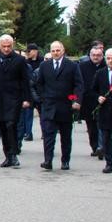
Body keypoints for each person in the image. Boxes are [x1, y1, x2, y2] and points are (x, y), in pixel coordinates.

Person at [30, 40, 82, 170]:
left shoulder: (72, 66)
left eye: (58, 50)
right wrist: (43, 97)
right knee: (48, 135)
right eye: (53, 50)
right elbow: (39, 83)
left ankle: (65, 161)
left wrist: (76, 100)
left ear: (63, 51)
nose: (55, 53)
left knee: (65, 137)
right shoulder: (44, 66)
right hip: (49, 106)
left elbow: (79, 85)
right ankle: (48, 160)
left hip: (65, 106)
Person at [0, 34, 31, 168]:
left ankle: (14, 154)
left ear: (12, 45)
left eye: (8, 46)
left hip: (14, 98)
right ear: (0, 46)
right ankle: (8, 156)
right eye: (3, 46)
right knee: (3, 127)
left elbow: (25, 80)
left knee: (11, 125)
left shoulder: (20, 60)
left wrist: (27, 98)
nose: (6, 49)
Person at [77, 43, 106, 158]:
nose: (95, 57)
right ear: (90, 55)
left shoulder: (106, 65)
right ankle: (94, 146)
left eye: (98, 55)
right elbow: (80, 83)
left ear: (102, 56)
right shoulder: (83, 66)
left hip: (103, 100)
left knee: (102, 125)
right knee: (91, 127)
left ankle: (101, 147)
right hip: (88, 101)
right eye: (93, 55)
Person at [21, 43, 41, 144]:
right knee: (27, 113)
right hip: (29, 91)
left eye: (29, 51)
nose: (27, 53)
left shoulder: (42, 62)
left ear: (35, 51)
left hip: (39, 92)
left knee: (43, 114)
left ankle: (45, 132)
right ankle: (28, 133)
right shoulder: (26, 62)